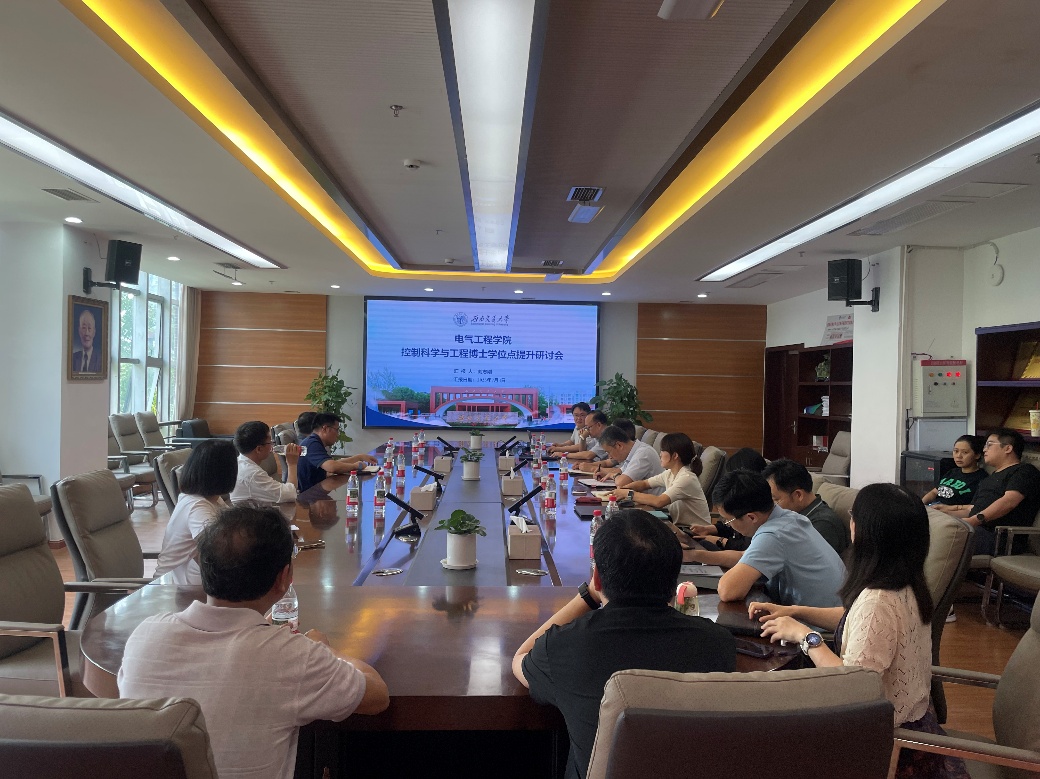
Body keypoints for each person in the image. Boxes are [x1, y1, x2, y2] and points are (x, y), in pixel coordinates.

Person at [119, 506, 389, 779]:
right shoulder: (290, 656)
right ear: (284, 579)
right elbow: (377, 696)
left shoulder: (145, 636)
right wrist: (327, 650)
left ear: (203, 567)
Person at [752, 483, 969, 779]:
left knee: (770, 735)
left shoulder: (878, 600)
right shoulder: (906, 582)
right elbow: (860, 623)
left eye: (854, 516)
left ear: (867, 531)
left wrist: (806, 637)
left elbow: (852, 684)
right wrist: (795, 611)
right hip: (914, 727)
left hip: (890, 748)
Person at [513, 509, 735, 779]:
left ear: (597, 578)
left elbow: (522, 656)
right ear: (674, 578)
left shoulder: (563, 647)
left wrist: (588, 595)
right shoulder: (718, 644)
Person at [687, 470, 845, 606]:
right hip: (833, 614)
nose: (728, 525)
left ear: (751, 517)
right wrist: (694, 555)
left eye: (728, 520)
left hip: (816, 627)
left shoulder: (774, 535)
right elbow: (745, 556)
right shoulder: (790, 518)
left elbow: (728, 591)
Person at [934, 428, 1040, 555]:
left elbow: (1009, 502)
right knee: (927, 522)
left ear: (1008, 448)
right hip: (979, 530)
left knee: (936, 536)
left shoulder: (1024, 471)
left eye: (989, 445)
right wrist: (944, 513)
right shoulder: (989, 478)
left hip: (1000, 538)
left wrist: (974, 520)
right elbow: (972, 509)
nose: (984, 449)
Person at [153, 439, 238, 584]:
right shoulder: (196, 506)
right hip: (173, 587)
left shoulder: (212, 498)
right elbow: (218, 551)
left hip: (188, 580)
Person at [611, 432, 711, 526]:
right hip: (679, 526)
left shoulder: (686, 478)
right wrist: (624, 489)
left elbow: (659, 501)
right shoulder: (670, 473)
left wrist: (629, 493)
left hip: (696, 532)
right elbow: (645, 484)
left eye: (663, 450)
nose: (660, 454)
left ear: (675, 455)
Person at [763, 458, 850, 554]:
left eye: (775, 499)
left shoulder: (823, 525)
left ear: (798, 495)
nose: (771, 506)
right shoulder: (794, 515)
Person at [296, 413, 378, 493]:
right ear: (325, 429)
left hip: (316, 491)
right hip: (309, 495)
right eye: (337, 430)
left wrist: (359, 457)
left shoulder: (313, 441)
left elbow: (332, 463)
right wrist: (356, 466)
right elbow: (332, 467)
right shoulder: (312, 444)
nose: (338, 434)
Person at [230, 420, 300, 505]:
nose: (272, 446)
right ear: (259, 449)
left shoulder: (239, 463)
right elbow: (290, 495)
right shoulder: (252, 474)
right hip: (254, 513)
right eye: (270, 442)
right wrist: (292, 464)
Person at [920, 434, 985, 508]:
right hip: (934, 507)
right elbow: (934, 492)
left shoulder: (981, 479)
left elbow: (973, 507)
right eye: (956, 451)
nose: (958, 456)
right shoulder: (952, 472)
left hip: (952, 512)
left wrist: (947, 509)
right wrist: (920, 505)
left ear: (977, 455)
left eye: (965, 452)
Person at [592, 424, 664, 488]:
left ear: (619, 445)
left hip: (651, 498)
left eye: (609, 452)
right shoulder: (632, 451)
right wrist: (605, 474)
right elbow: (621, 471)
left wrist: (612, 475)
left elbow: (621, 483)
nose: (609, 457)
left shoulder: (643, 454)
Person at [71, 307, 101, 373]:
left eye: (89, 328)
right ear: (79, 331)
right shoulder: (72, 358)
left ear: (94, 332)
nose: (86, 333)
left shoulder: (100, 359)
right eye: (84, 328)